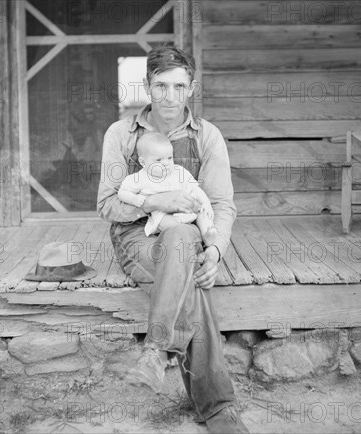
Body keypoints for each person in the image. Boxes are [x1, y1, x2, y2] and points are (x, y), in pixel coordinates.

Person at [97, 46, 249, 433]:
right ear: (148, 87)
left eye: (178, 86)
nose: (169, 96)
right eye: (160, 85)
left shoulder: (207, 137)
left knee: (182, 235)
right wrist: (154, 201)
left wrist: (215, 250)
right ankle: (217, 408)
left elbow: (221, 204)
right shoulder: (121, 135)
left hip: (190, 238)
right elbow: (107, 205)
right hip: (138, 238)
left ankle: (155, 351)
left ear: (191, 88)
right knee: (190, 284)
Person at [117, 131, 218, 245]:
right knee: (170, 225)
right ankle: (193, 233)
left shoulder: (179, 171)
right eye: (158, 160)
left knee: (204, 215)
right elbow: (122, 192)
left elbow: (195, 189)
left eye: (169, 158)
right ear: (143, 162)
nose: (166, 163)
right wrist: (134, 199)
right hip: (163, 214)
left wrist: (206, 203)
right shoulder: (139, 178)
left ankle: (208, 235)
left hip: (189, 207)